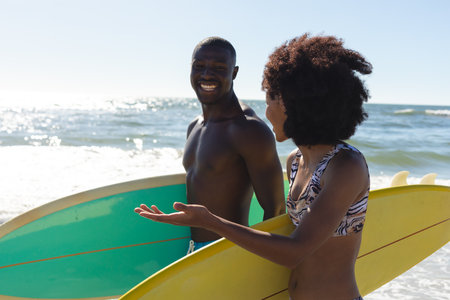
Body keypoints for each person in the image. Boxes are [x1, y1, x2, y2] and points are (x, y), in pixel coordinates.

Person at [136, 33, 372, 300]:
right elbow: (282, 232)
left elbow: (295, 251)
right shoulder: (296, 161)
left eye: (271, 98)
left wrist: (210, 221)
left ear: (297, 103)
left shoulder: (346, 165)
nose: (266, 110)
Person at [180, 37, 285, 253]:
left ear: (234, 73)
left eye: (218, 68)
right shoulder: (194, 126)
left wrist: (255, 266)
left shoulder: (248, 130)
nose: (207, 74)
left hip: (229, 253)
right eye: (199, 67)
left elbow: (276, 210)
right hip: (193, 253)